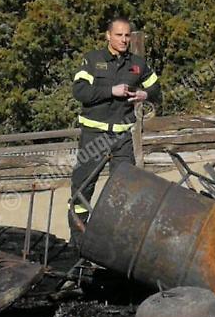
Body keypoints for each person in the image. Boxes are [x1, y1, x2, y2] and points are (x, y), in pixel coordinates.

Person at [69, 15, 161, 225]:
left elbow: (157, 89)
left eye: (127, 35)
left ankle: (112, 235)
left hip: (122, 139)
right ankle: (78, 238)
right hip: (94, 137)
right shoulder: (93, 60)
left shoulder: (138, 64)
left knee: (125, 188)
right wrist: (111, 91)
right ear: (108, 36)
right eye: (119, 35)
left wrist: (145, 94)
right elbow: (80, 91)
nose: (123, 39)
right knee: (83, 188)